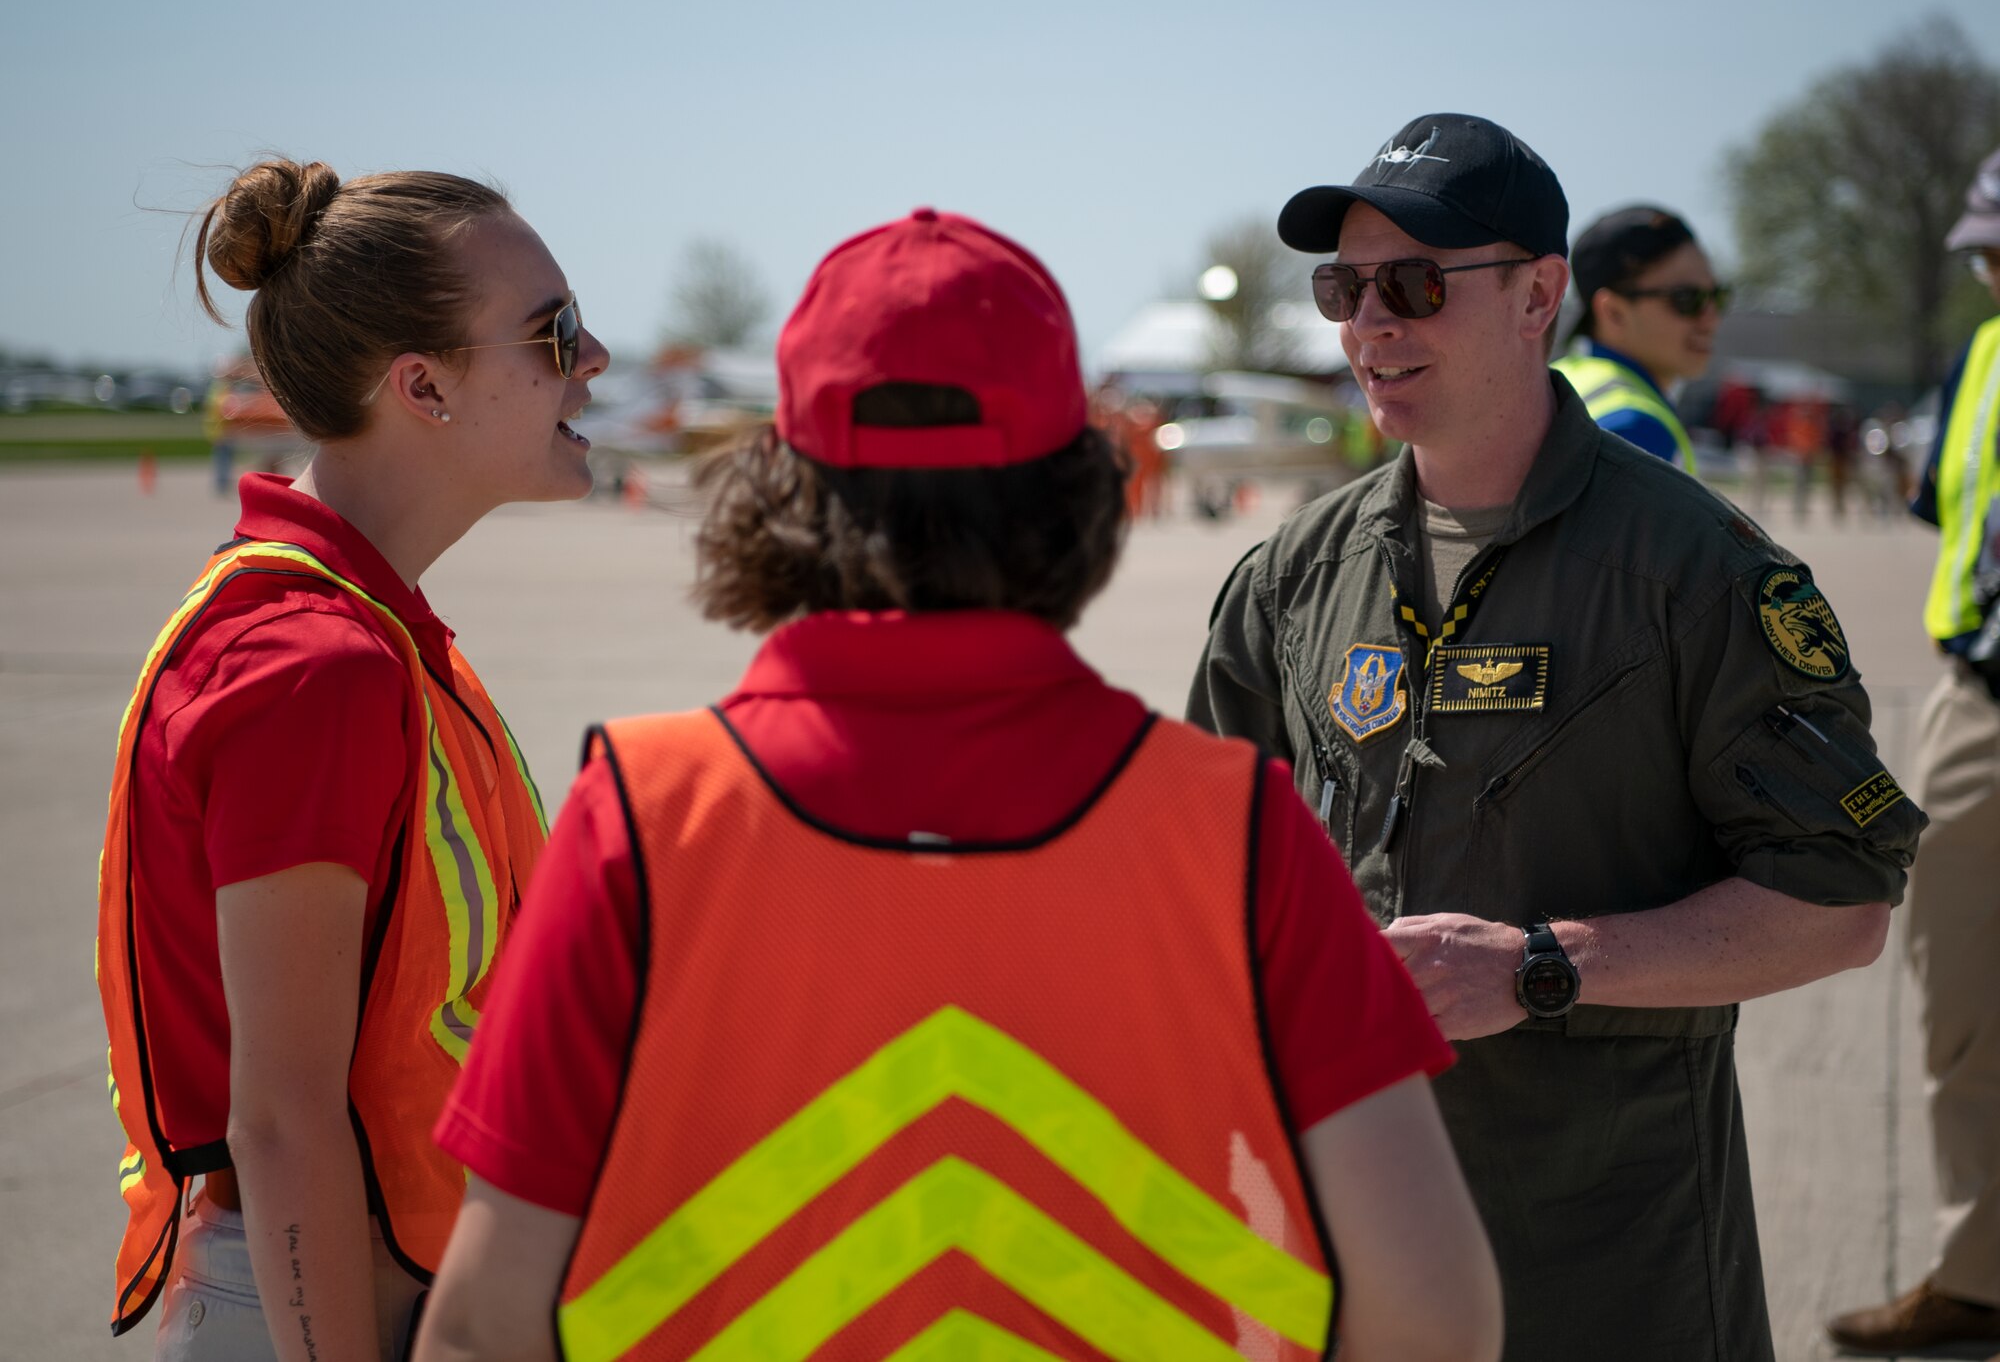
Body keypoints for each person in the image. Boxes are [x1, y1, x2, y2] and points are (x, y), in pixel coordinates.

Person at [412, 208, 1503, 1362]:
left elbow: (486, 1328)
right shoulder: (1237, 834)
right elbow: (1432, 1316)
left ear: (780, 487)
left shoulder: (640, 819)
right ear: (1078, 487)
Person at [1188, 112, 1925, 1362]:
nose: (1370, 322)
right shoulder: (1291, 577)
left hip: (1611, 1262)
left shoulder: (1695, 575)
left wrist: (1538, 965)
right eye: (1342, 288)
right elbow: (1207, 882)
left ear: (1539, 296)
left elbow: (1839, 901)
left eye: (1414, 284)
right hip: (1347, 1252)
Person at [95, 157, 607, 1360]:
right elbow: (279, 1119)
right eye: (556, 331)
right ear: (420, 384)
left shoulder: (373, 632)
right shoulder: (311, 667)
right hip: (323, 1306)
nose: (591, 362)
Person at [1824, 147, 2000, 1358]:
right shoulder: (1984, 349)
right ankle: (1981, 1270)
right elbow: (1951, 505)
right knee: (1965, 1000)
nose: (1987, 267)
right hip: (1979, 696)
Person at [1550, 204, 1730, 473]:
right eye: (1686, 299)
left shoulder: (1561, 376)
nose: (1711, 318)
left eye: (1717, 297)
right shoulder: (1636, 429)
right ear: (1614, 313)